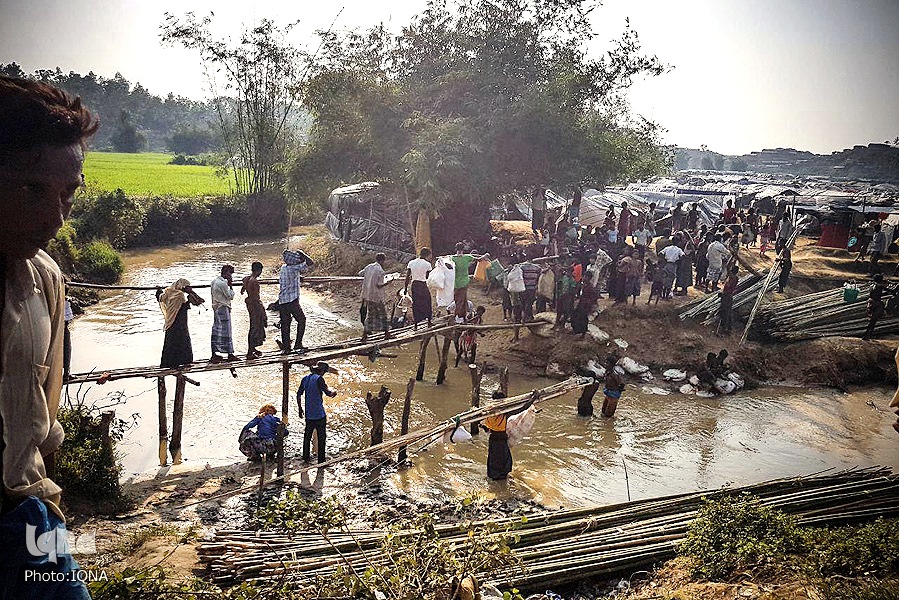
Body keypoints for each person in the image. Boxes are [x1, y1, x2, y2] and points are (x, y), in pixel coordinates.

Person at [1, 73, 99, 599]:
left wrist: (52, 509)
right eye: (29, 188)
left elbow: (47, 414)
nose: (54, 216)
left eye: (68, 194)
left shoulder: (46, 280)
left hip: (28, 517)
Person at [481, 391, 535, 480]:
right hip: (501, 439)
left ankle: (494, 476)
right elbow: (521, 409)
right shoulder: (503, 413)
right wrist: (532, 400)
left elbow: (488, 429)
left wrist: (482, 427)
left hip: (493, 439)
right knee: (504, 459)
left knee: (494, 459)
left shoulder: (488, 411)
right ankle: (502, 477)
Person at [157, 278, 205, 368]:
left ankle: (169, 362)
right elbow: (188, 305)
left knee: (171, 341)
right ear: (183, 287)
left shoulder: (168, 292)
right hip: (179, 321)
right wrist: (191, 294)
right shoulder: (180, 295)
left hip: (171, 321)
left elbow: (159, 297)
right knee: (181, 339)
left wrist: (159, 290)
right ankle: (183, 360)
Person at [297, 361, 338, 463]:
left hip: (308, 414)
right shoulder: (319, 379)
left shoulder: (305, 379)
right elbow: (328, 393)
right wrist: (334, 392)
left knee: (307, 436)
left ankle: (306, 457)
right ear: (322, 371)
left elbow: (298, 394)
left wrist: (300, 408)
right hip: (319, 414)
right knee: (321, 437)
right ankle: (321, 460)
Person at [277, 249, 313, 354]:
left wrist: (298, 277)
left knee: (285, 324)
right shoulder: (294, 268)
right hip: (292, 300)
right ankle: (298, 343)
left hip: (282, 301)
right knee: (302, 320)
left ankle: (286, 347)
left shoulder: (284, 268)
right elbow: (311, 263)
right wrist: (303, 253)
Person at [451, 243, 489, 323]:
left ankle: (462, 316)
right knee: (461, 301)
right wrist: (485, 255)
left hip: (455, 283)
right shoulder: (467, 257)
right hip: (464, 283)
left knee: (460, 300)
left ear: (456, 249)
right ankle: (457, 317)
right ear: (463, 249)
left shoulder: (452, 258)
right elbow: (479, 259)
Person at [359, 252, 392, 342]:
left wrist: (368, 279)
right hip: (376, 296)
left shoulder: (369, 266)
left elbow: (360, 273)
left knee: (370, 315)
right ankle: (386, 333)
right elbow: (379, 285)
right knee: (383, 315)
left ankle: (364, 335)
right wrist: (388, 282)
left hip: (367, 295)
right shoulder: (380, 271)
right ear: (382, 260)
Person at [210, 264, 238, 363]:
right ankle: (230, 353)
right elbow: (230, 296)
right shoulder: (223, 284)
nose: (231, 276)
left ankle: (215, 353)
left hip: (216, 307)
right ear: (226, 273)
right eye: (230, 274)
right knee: (227, 331)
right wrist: (230, 285)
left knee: (217, 330)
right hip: (223, 308)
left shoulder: (214, 281)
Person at [241, 261, 266, 358]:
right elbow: (256, 298)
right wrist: (263, 312)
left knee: (253, 327)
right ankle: (249, 352)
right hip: (255, 305)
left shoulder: (247, 279)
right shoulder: (254, 282)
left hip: (250, 305)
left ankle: (252, 348)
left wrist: (243, 289)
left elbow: (243, 287)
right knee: (255, 328)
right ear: (259, 270)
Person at [404, 247, 433, 328]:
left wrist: (405, 288)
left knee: (416, 304)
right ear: (427, 255)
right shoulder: (427, 264)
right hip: (422, 285)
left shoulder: (411, 262)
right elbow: (427, 277)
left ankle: (416, 324)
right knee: (427, 302)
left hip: (414, 285)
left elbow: (407, 277)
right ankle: (429, 322)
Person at [864, 274, 888, 340]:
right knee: (873, 320)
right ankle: (867, 335)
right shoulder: (880, 287)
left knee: (872, 320)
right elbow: (891, 291)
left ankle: (868, 335)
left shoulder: (872, 286)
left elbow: (874, 294)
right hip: (877, 304)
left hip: (871, 303)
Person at [718, 265, 739, 336]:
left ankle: (725, 328)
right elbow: (727, 267)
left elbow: (728, 287)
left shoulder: (732, 278)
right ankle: (728, 328)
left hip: (727, 296)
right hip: (728, 296)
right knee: (727, 313)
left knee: (725, 313)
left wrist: (723, 294)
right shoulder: (733, 277)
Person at [63, 297, 75, 381]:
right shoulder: (65, 301)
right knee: (66, 350)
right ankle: (66, 374)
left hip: (64, 324)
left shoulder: (66, 301)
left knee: (67, 349)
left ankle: (66, 373)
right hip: (61, 325)